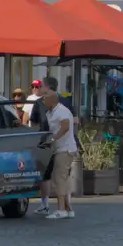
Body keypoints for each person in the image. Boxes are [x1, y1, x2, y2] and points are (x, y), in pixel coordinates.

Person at [40, 89, 79, 220]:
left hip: (65, 149)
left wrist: (53, 139)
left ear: (52, 100)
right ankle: (68, 209)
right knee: (62, 179)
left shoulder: (61, 111)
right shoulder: (51, 112)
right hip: (60, 149)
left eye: (45, 98)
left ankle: (61, 209)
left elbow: (65, 126)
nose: (43, 100)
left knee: (59, 180)